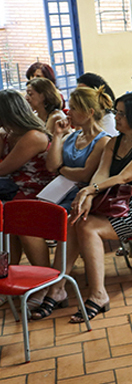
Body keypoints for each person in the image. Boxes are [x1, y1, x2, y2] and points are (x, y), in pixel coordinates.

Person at [69, 94, 132, 322]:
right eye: (116, 112)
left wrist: (89, 190)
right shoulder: (114, 142)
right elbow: (102, 174)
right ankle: (55, 289)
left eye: (122, 113)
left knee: (88, 228)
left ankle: (98, 294)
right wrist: (90, 192)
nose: (117, 117)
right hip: (120, 201)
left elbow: (126, 176)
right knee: (74, 218)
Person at [31, 86, 112, 320]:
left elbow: (86, 174)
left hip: (82, 196)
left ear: (88, 112)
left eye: (74, 109)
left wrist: (63, 170)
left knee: (69, 221)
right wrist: (57, 136)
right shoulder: (72, 136)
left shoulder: (103, 141)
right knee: (30, 221)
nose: (69, 113)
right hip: (59, 191)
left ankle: (55, 287)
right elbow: (51, 165)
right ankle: (49, 283)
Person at [0, 90, 56, 267]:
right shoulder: (8, 135)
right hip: (16, 190)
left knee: (19, 223)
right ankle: (8, 272)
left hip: (40, 192)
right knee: (6, 221)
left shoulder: (33, 136)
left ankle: (44, 281)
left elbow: (2, 169)